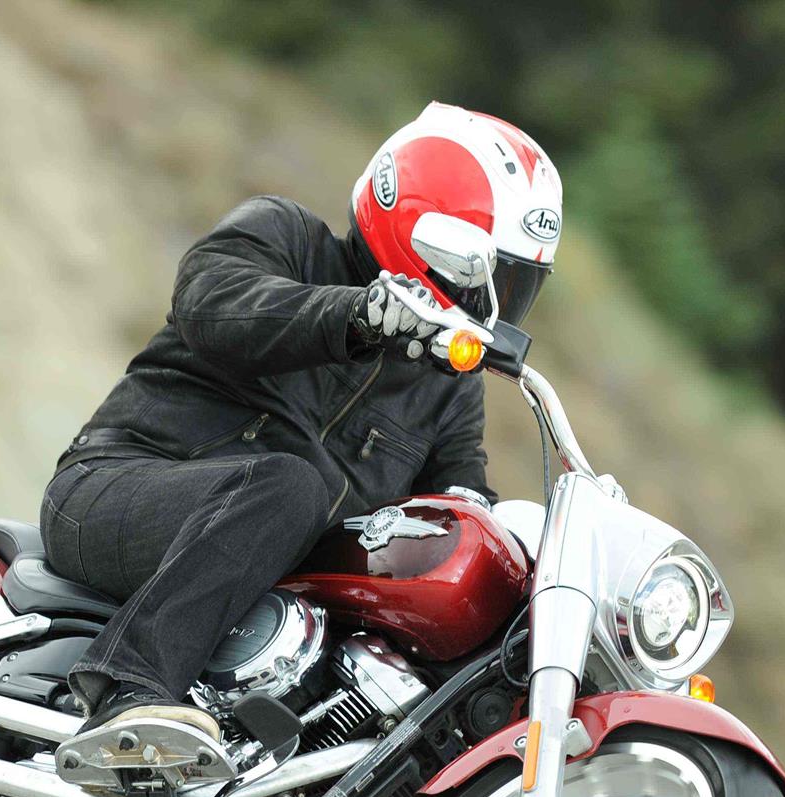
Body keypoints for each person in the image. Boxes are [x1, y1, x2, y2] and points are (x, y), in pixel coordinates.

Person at [42, 102, 564, 744]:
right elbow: (211, 304)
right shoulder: (284, 235)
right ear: (431, 242)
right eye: (492, 279)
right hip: (113, 489)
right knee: (291, 487)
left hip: (267, 596)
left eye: (520, 285)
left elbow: (458, 505)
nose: (499, 305)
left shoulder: (446, 386)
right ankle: (129, 690)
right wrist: (360, 318)